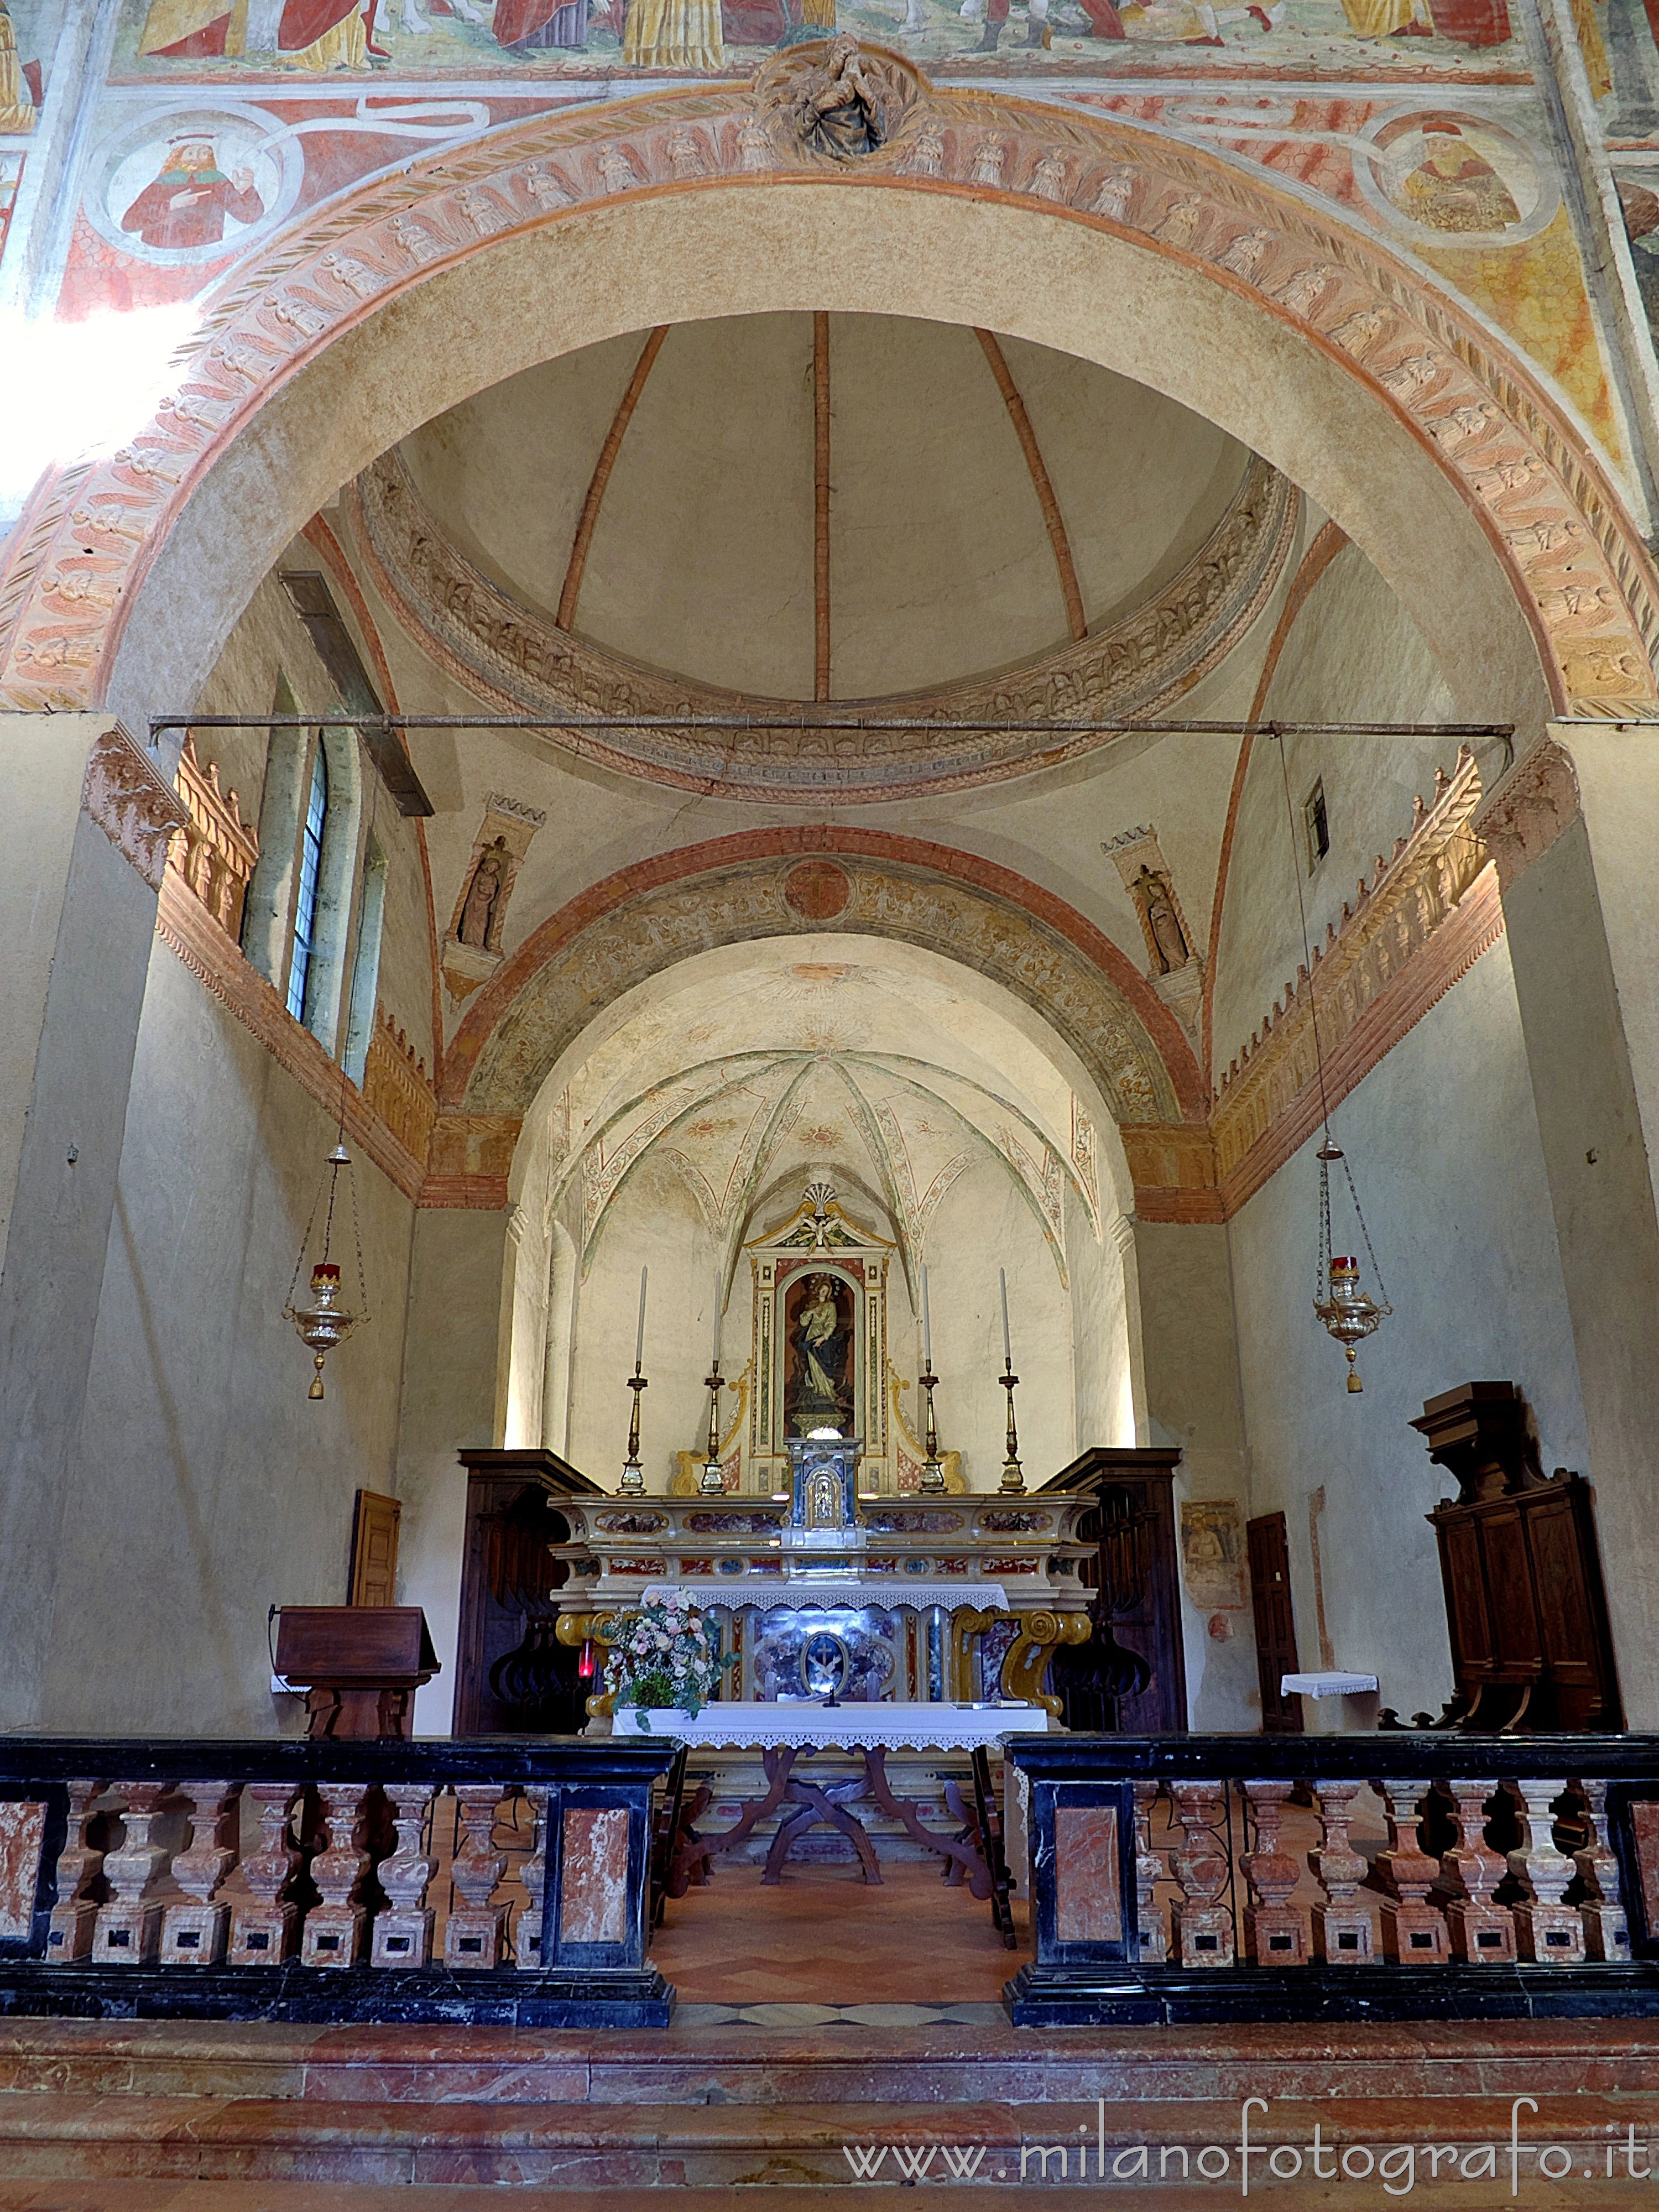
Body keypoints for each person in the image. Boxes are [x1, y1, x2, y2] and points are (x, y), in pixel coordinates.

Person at [120, 137, 265, 253]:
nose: (195, 159)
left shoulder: (217, 180)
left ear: (209, 156)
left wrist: (247, 190)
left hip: (207, 255)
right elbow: (129, 223)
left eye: (202, 153)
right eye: (190, 153)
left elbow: (249, 215)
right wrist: (170, 205)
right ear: (178, 157)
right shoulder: (163, 183)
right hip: (161, 255)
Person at [1391, 119, 1520, 232]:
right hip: (1439, 240)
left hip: (1481, 238)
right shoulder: (1422, 174)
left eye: (1445, 145)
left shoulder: (1481, 172)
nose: (1438, 150)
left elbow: (1510, 211)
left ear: (1458, 146)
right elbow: (1404, 209)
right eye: (1433, 144)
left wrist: (1476, 199)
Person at [790, 35, 883, 158]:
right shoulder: (811, 85)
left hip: (859, 154)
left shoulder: (860, 91)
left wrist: (869, 98)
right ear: (831, 50)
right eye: (843, 48)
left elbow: (880, 137)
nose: (846, 54)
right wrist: (819, 105)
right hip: (823, 151)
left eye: (851, 53)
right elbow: (796, 129)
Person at [790, 1275, 851, 1433]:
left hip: (824, 1338)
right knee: (813, 1365)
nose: (824, 1292)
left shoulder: (831, 1306)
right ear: (818, 1291)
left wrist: (824, 1337)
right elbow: (803, 1322)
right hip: (811, 1336)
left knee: (825, 1366)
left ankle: (827, 1392)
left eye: (826, 1290)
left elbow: (832, 1323)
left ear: (829, 1293)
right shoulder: (812, 1305)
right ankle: (817, 1390)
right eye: (822, 1290)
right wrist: (811, 1311)